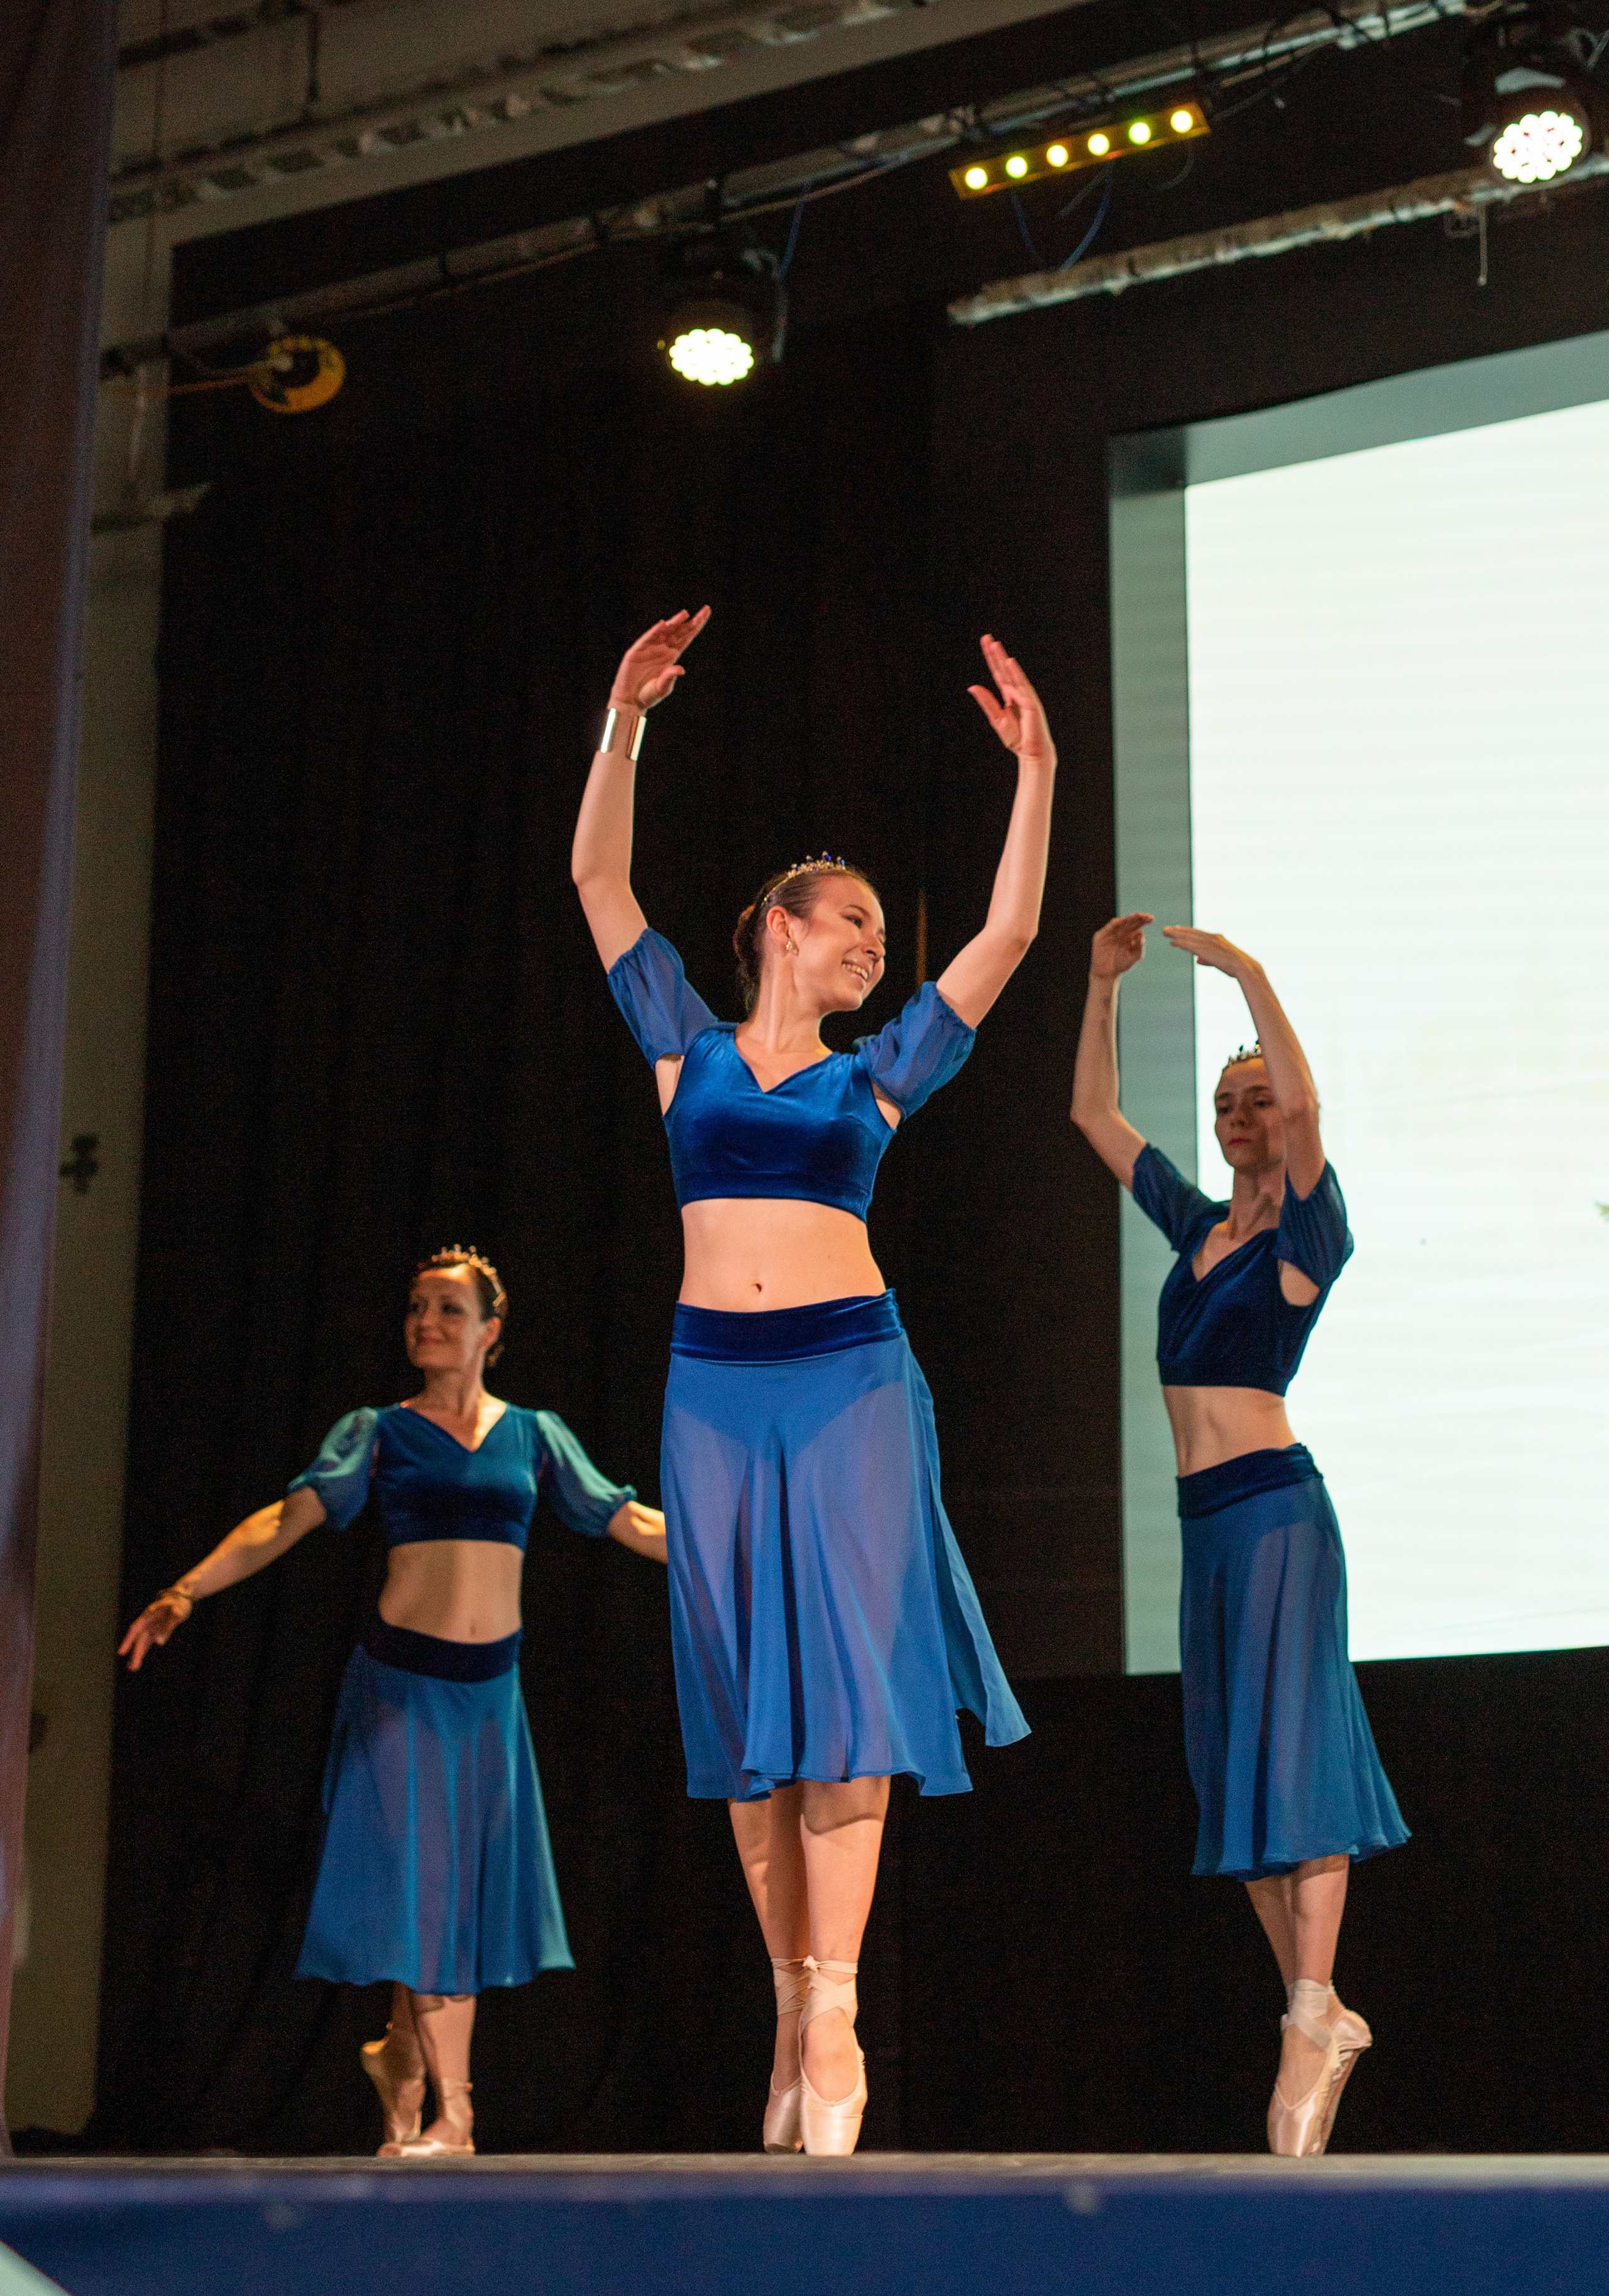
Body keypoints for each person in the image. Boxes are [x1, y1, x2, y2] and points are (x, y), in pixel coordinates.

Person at [572, 609, 1050, 2155]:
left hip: (847, 1380)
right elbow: (596, 880)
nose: (872, 945)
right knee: (744, 1712)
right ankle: (792, 2005)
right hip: (711, 1389)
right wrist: (625, 720)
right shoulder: (680, 1046)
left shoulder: (880, 1071)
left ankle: (833, 2007)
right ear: (777, 924)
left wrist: (1033, 772)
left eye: (878, 938)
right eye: (848, 922)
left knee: (845, 1688)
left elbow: (1007, 939)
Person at [120, 1248, 666, 2158]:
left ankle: (402, 2059)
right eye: (417, 1307)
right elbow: (283, 1519)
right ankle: (457, 2115)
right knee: (435, 1897)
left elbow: (629, 1520)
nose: (427, 1322)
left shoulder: (534, 1436)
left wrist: (734, 1560)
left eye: (449, 1310)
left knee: (450, 1896)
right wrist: (186, 1589)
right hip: (401, 1690)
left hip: (488, 1697)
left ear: (491, 1333)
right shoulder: (377, 1432)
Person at [1072, 915, 1408, 2156]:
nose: (1238, 1113)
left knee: (1294, 1762)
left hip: (1273, 1513)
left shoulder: (1300, 1237)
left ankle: (1314, 2005)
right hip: (1205, 1528)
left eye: (1253, 1098)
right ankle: (1310, 2011)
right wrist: (1101, 987)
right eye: (1224, 1097)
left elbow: (1310, 1117)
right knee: (1238, 1779)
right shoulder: (1194, 1229)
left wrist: (1250, 980)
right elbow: (1094, 1119)